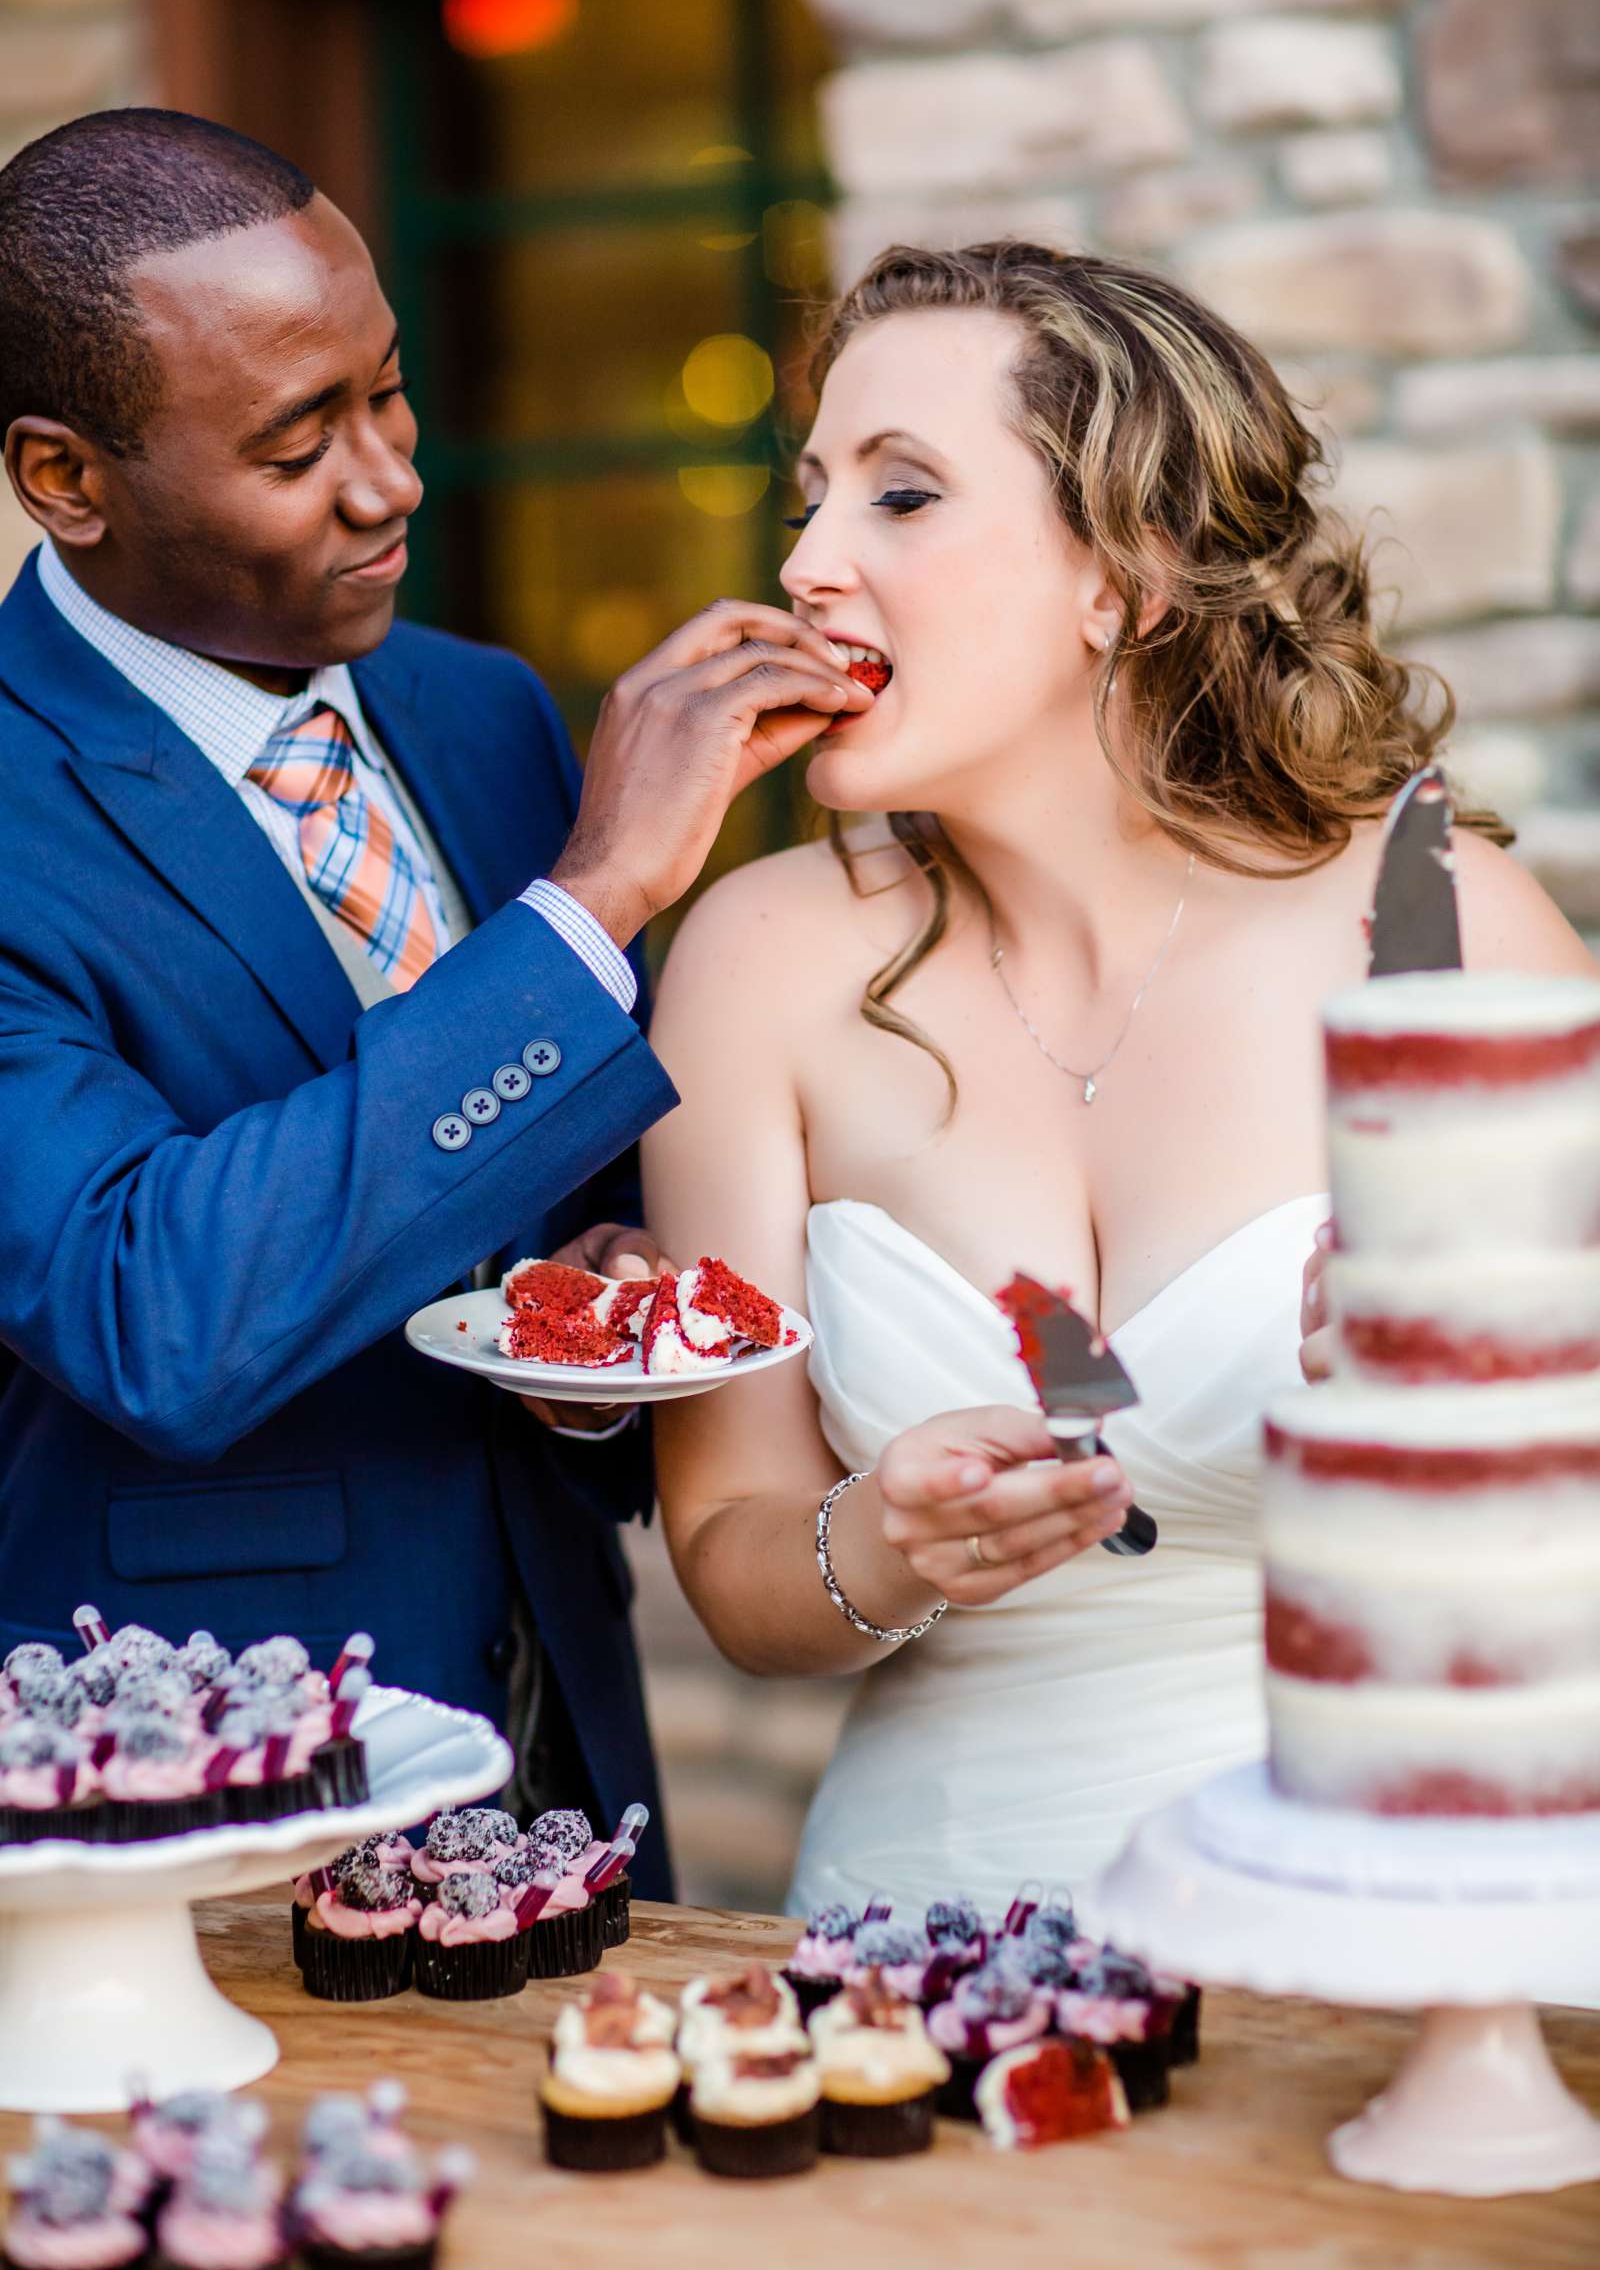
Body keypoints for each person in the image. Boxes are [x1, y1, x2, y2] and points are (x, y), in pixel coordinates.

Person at [642, 241, 1598, 1916]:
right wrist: (878, 1544)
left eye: (903, 498)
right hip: (927, 1932)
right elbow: (734, 1546)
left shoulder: (1439, 932)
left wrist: (1475, 1384)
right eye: (814, 500)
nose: (807, 565)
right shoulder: (752, 963)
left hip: (1402, 1905)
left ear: (1131, 578)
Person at [0, 108, 868, 1894]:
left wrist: (590, 1336)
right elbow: (148, 1307)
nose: (391, 479)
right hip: (209, 1803)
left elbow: (528, 1194)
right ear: (64, 477)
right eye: (297, 442)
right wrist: (599, 896)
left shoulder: (483, 715)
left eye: (386, 395)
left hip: (568, 1742)